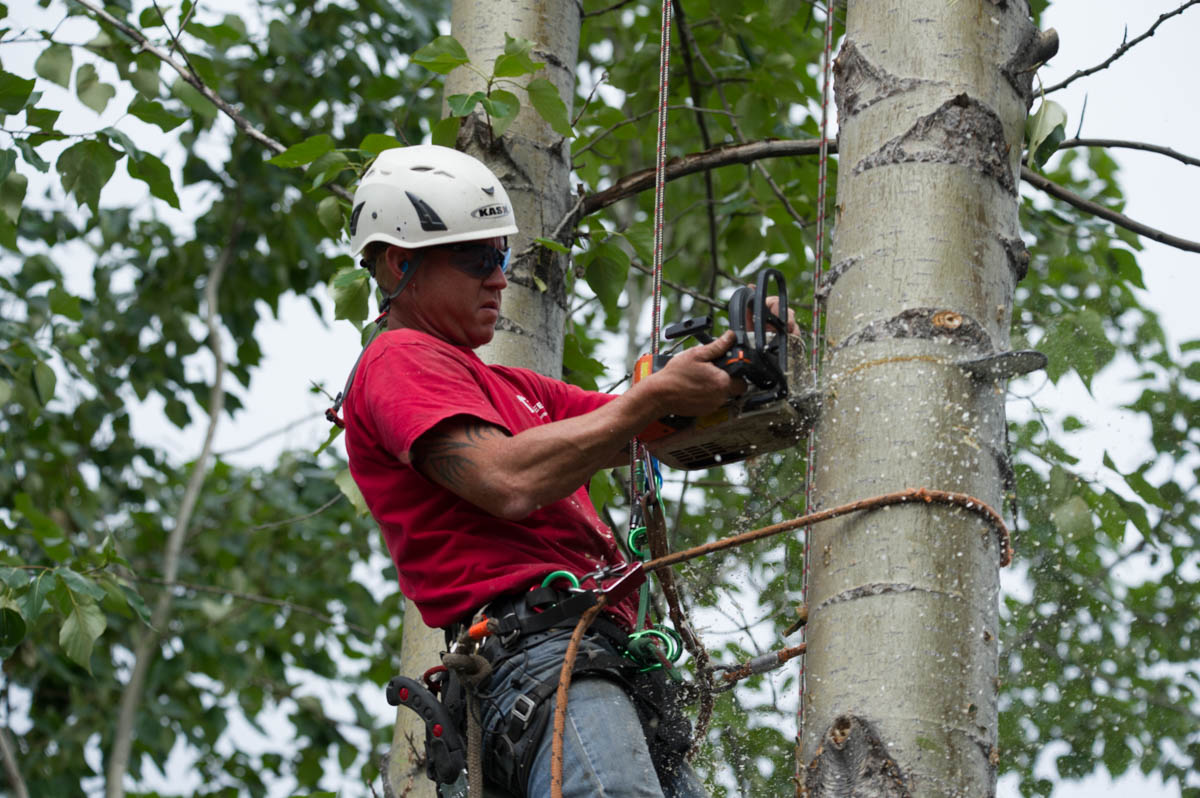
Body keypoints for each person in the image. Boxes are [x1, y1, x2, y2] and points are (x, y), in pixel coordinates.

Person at [341, 145, 786, 798]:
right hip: (538, 660)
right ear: (399, 262)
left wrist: (738, 376)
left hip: (599, 662)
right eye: (477, 258)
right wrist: (652, 397)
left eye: (503, 256)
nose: (498, 277)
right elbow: (505, 480)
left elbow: (649, 429)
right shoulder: (398, 360)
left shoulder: (516, 390)